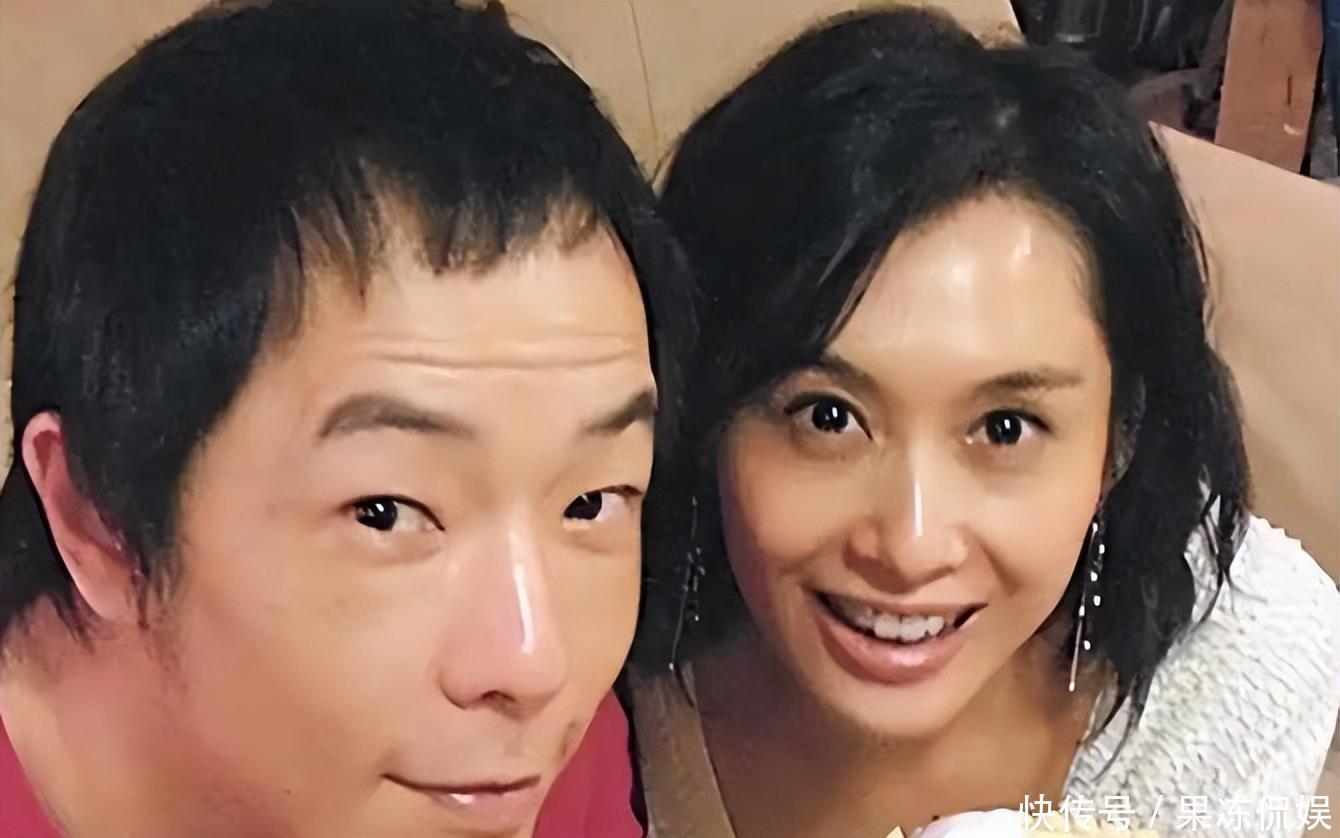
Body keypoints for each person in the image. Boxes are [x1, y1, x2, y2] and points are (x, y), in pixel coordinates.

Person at [627, 8, 1340, 838]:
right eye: (828, 417)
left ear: (1120, 441)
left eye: (1005, 428)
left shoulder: (1236, 667)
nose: (911, 547)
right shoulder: (587, 640)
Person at [0, 1, 690, 836]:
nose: (536, 666)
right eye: (385, 512)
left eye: (589, 502)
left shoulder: (505, 763)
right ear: (100, 519)